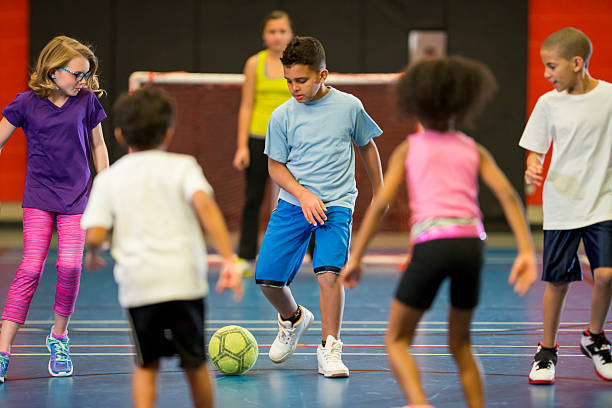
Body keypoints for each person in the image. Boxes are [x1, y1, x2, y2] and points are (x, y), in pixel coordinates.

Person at [340, 56, 537, 408]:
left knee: (398, 339)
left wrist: (356, 257)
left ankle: (419, 403)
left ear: (416, 106)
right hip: (471, 246)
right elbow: (508, 196)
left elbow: (381, 204)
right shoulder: (472, 148)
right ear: (460, 107)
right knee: (461, 344)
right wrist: (525, 250)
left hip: (432, 246)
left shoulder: (409, 149)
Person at [81, 88, 243, 408]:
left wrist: (94, 252)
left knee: (146, 365)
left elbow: (96, 232)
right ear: (169, 132)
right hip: (184, 282)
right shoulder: (184, 166)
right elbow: (206, 208)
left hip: (140, 286)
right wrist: (228, 258)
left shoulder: (110, 178)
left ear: (118, 134)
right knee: (195, 363)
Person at [255, 36, 384, 378]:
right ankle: (294, 318)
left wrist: (380, 191)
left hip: (337, 203)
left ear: (322, 75)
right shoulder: (281, 116)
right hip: (294, 204)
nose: (294, 88)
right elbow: (275, 167)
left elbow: (367, 147)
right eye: (288, 81)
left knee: (329, 274)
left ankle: (330, 348)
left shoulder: (349, 107)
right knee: (267, 278)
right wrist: (303, 195)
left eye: (301, 80)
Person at [0, 35, 109, 382]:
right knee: (31, 268)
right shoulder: (26, 103)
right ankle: (3, 349)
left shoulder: (87, 101)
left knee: (69, 266)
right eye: (77, 74)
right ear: (53, 70)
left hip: (77, 200)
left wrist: (105, 190)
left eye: (86, 75)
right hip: (39, 199)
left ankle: (58, 337)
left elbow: (99, 146)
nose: (83, 81)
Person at [520, 27, 612, 384]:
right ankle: (547, 350)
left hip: (603, 201)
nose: (546, 73)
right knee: (557, 282)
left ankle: (594, 337)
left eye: (551, 66)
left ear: (577, 63)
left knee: (606, 274)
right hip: (562, 205)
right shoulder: (548, 103)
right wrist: (532, 164)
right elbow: (536, 147)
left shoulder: (608, 97)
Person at [232, 11, 293, 276]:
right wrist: (242, 146)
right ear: (264, 34)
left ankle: (316, 256)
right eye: (272, 31)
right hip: (258, 139)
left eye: (282, 31)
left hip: (293, 141)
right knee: (253, 199)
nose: (277, 36)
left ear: (290, 34)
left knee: (303, 197)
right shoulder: (253, 64)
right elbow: (246, 105)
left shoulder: (298, 63)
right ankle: (245, 256)